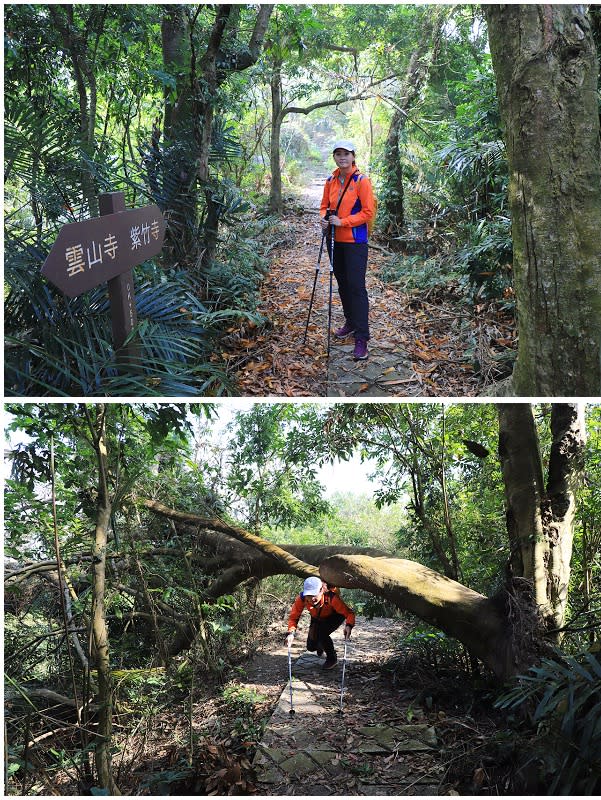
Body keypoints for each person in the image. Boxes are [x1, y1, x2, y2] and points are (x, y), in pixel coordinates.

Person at [320, 140, 376, 361]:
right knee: (342, 283)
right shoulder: (330, 180)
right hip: (334, 240)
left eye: (346, 154)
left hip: (354, 241)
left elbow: (368, 211)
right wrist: (323, 219)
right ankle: (350, 323)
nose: (342, 157)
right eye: (338, 154)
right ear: (334, 157)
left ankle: (362, 337)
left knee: (356, 287)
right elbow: (324, 206)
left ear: (353, 156)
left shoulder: (361, 181)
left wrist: (343, 221)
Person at [286, 576, 355, 669]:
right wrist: (291, 633)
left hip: (335, 616)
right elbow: (293, 617)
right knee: (311, 647)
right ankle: (321, 645)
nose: (311, 599)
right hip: (317, 617)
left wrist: (349, 625)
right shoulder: (302, 598)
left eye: (314, 595)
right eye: (308, 595)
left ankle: (332, 658)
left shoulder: (331, 597)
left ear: (321, 590)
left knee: (322, 633)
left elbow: (349, 613)